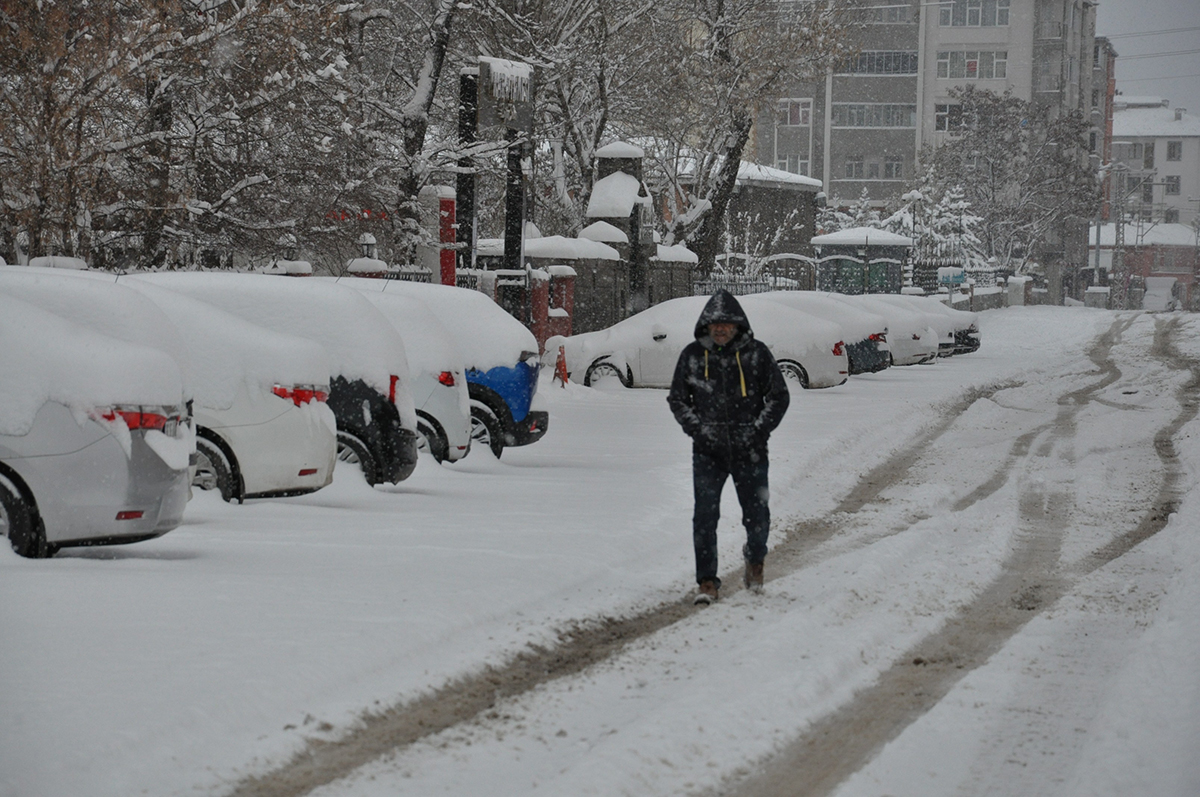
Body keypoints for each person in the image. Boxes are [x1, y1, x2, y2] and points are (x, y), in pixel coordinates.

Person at [667, 290, 790, 605]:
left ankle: (755, 560)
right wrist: (698, 431)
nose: (720, 329)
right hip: (708, 451)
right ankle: (707, 581)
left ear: (738, 326)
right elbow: (678, 399)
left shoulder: (757, 354)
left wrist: (758, 431)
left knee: (757, 513)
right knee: (705, 517)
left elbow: (778, 396)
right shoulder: (693, 356)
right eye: (715, 324)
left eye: (727, 324)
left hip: (750, 450)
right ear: (706, 326)